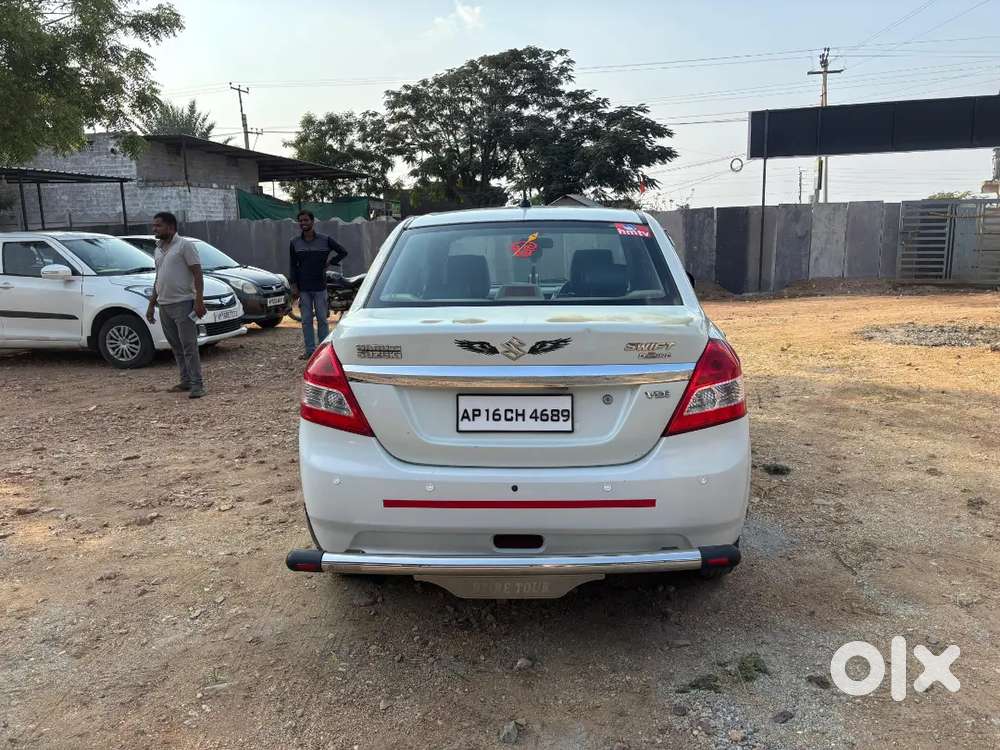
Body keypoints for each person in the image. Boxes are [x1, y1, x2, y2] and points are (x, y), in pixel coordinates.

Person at [145, 211, 208, 399]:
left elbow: (197, 273)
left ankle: (198, 385)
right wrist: (151, 304)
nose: (154, 229)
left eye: (158, 225)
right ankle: (185, 380)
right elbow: (159, 278)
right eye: (154, 225)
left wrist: (199, 300)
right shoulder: (158, 248)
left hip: (183, 303)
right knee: (176, 346)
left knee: (189, 346)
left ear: (171, 227)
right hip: (164, 305)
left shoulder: (184, 245)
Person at [288, 210, 348, 359]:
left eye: (306, 220)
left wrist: (330, 262)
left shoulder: (325, 240)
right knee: (306, 321)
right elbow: (292, 265)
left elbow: (343, 252)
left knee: (322, 319)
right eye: (301, 221)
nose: (303, 223)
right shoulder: (295, 242)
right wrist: (294, 285)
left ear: (313, 221)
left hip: (320, 287)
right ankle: (309, 351)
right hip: (303, 288)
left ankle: (322, 352)